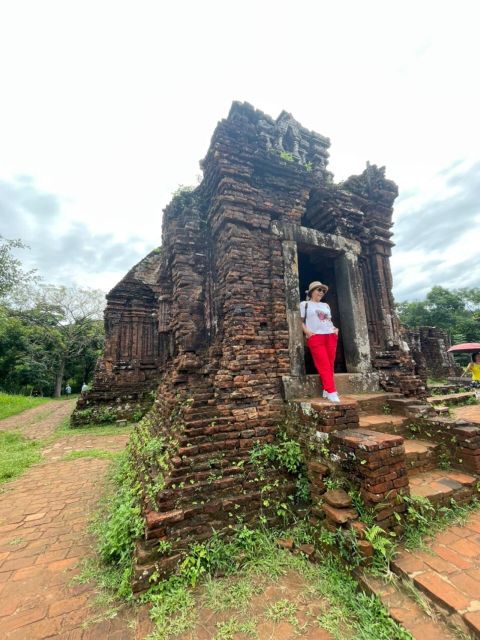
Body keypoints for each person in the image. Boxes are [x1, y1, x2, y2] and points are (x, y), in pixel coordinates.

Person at [300, 281, 340, 403]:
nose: (321, 292)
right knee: (323, 364)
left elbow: (328, 320)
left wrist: (335, 329)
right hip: (315, 337)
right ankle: (332, 391)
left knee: (330, 364)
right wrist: (307, 332)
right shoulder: (305, 304)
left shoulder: (326, 306)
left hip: (330, 335)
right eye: (319, 290)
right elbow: (300, 320)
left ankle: (327, 389)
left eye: (323, 291)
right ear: (312, 291)